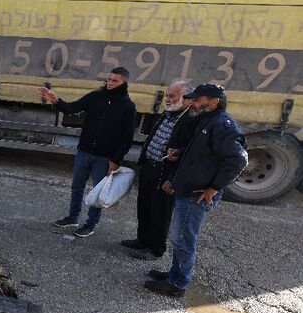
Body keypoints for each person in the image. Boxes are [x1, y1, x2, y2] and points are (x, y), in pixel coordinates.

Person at [144, 83, 248, 297]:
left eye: (197, 99)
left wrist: (214, 188)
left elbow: (238, 160)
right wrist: (179, 154)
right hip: (187, 189)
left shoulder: (223, 125)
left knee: (183, 238)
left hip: (198, 195)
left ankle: (178, 284)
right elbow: (199, 155)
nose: (192, 102)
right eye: (191, 99)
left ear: (213, 101)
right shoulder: (207, 121)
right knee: (178, 237)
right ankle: (174, 273)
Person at [38, 67, 137, 238]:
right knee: (77, 186)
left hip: (104, 158)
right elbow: (72, 108)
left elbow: (126, 138)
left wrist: (116, 160)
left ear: (124, 83)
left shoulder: (128, 107)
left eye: (115, 81)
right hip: (84, 152)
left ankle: (90, 225)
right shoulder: (95, 97)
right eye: (109, 79)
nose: (110, 83)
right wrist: (56, 101)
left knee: (98, 193)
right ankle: (72, 217)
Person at [122, 81, 197, 260]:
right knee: (145, 206)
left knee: (160, 211)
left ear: (187, 100)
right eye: (167, 95)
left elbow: (187, 153)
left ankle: (155, 248)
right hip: (150, 166)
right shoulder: (169, 113)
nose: (167, 100)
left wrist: (173, 179)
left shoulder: (190, 121)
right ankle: (142, 240)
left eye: (172, 96)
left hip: (165, 172)